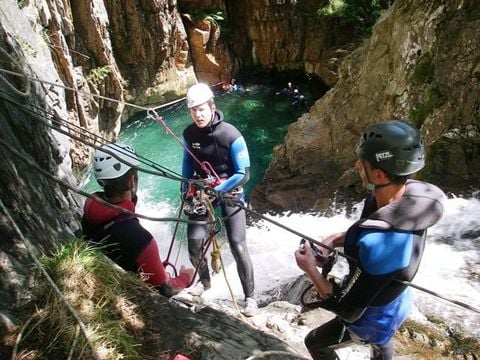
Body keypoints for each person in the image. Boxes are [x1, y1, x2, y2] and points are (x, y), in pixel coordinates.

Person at [294, 120, 446, 360]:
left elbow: (347, 309)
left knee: (315, 343)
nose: (357, 165)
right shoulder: (412, 199)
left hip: (374, 317)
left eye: (361, 162)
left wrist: (310, 269)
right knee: (381, 343)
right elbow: (373, 228)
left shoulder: (383, 247)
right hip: (397, 302)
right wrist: (333, 240)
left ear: (378, 173)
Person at [181, 82, 257, 316]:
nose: (198, 114)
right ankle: (204, 282)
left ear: (212, 106)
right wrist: (184, 189)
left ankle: (250, 298)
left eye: (202, 109)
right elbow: (187, 162)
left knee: (237, 243)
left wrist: (219, 189)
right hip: (203, 189)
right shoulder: (189, 133)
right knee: (194, 242)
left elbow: (243, 174)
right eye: (193, 110)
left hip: (230, 190)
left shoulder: (231, 134)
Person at [82, 143, 194, 298]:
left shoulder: (90, 208)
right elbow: (166, 290)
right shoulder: (140, 239)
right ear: (132, 180)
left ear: (102, 181)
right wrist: (186, 277)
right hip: (130, 295)